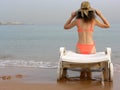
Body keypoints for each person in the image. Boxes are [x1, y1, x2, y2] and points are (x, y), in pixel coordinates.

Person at [64, 1, 110, 79]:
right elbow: (107, 25)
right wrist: (100, 15)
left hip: (79, 47)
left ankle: (82, 84)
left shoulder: (77, 21)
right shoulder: (93, 21)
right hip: (91, 47)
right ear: (90, 11)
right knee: (89, 70)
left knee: (82, 70)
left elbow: (66, 27)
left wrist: (71, 17)